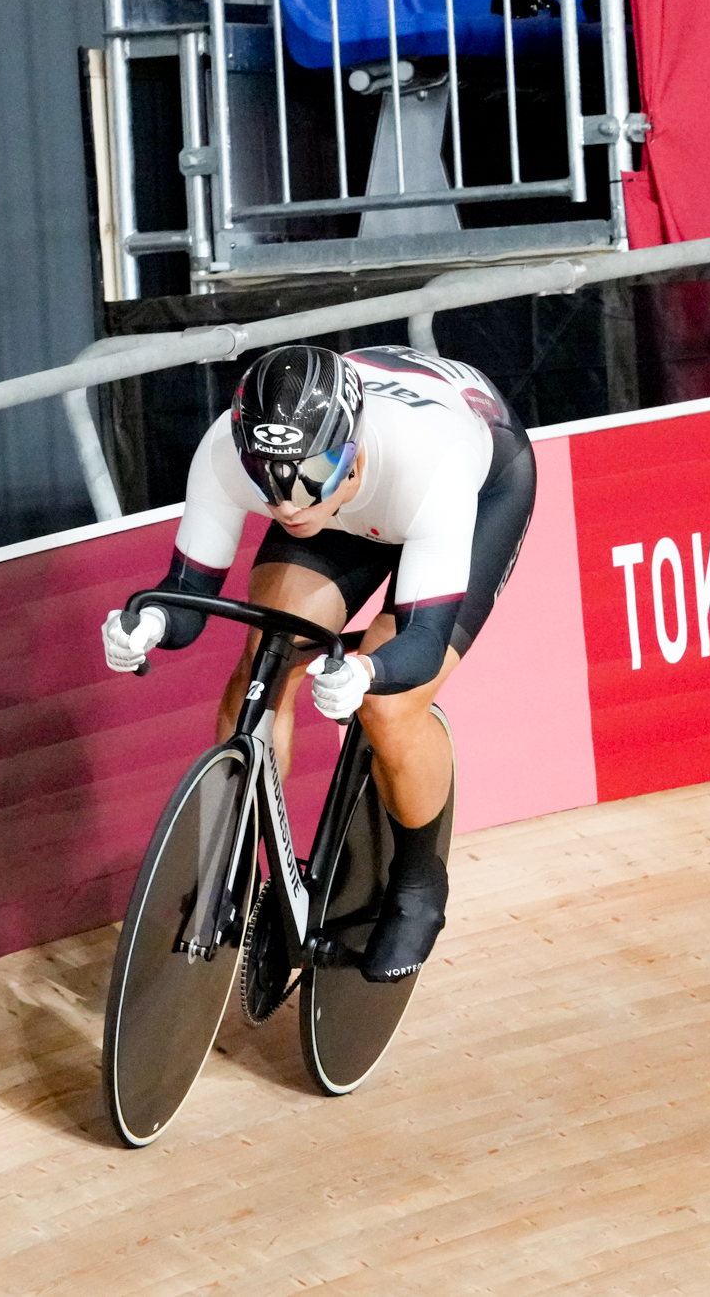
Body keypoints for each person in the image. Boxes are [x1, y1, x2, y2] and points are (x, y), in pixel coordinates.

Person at [101, 343, 536, 982]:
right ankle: (236, 865)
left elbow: (419, 640)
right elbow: (190, 596)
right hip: (351, 507)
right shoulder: (240, 455)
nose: (286, 510)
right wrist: (150, 624)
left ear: (351, 450)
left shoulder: (430, 464)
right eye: (268, 488)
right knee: (265, 662)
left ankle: (419, 884)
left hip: (474, 488)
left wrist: (366, 672)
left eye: (307, 482)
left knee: (389, 708)